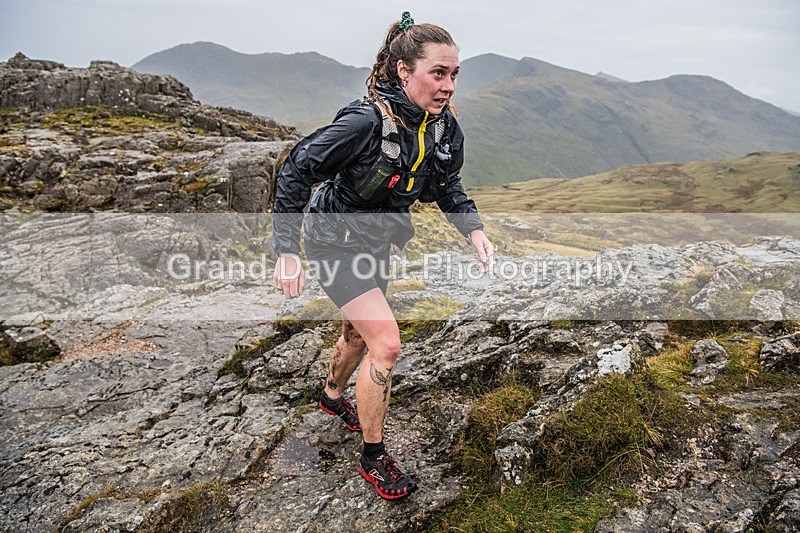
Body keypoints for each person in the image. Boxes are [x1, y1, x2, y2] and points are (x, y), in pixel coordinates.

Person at [271, 11, 494, 501]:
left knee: (357, 333)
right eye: (438, 73)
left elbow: (447, 185)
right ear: (403, 70)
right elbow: (296, 169)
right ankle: (373, 457)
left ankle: (332, 397)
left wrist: (473, 229)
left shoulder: (443, 128)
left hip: (376, 242)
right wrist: (287, 251)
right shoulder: (365, 122)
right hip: (333, 241)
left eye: (455, 74)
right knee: (386, 344)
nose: (448, 86)